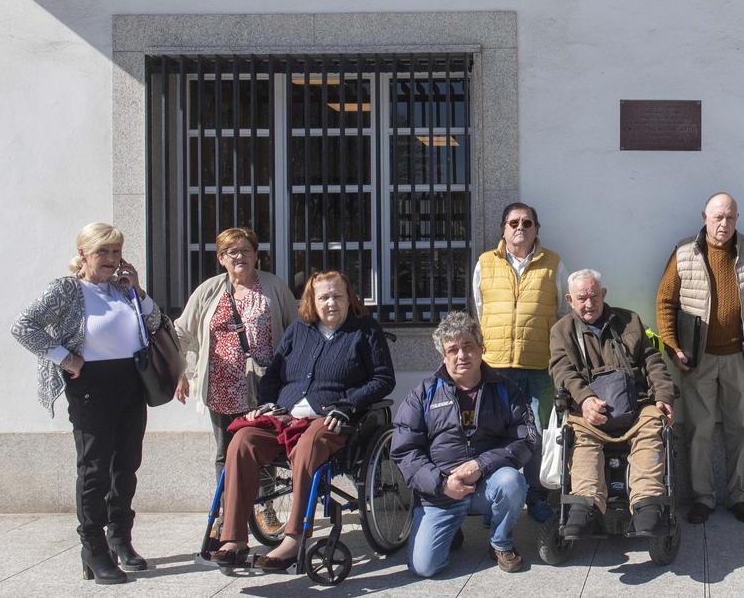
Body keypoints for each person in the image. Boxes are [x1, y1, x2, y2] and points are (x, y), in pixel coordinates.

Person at [208, 271, 395, 570]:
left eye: (338, 296)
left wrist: (347, 405)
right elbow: (272, 376)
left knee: (309, 444)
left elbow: (383, 379)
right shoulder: (299, 330)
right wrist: (268, 404)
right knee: (243, 441)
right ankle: (234, 539)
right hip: (286, 416)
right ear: (312, 300)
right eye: (324, 297)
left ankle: (294, 538)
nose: (331, 302)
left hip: (332, 418)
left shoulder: (365, 330)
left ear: (350, 299)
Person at [11, 223, 162, 584]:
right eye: (103, 252)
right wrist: (65, 357)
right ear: (83, 254)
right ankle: (93, 548)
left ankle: (120, 539)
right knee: (94, 470)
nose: (111, 260)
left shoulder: (122, 290)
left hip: (130, 382)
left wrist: (138, 290)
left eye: (116, 252)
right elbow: (23, 325)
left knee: (126, 466)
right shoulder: (66, 289)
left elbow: (156, 323)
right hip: (91, 385)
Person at [656, 192, 744, 524]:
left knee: (740, 427)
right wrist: (673, 347)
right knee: (699, 429)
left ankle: (738, 495)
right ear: (704, 217)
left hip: (741, 355)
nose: (724, 224)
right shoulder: (684, 251)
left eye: (731, 217)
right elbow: (665, 302)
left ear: (738, 219)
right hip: (699, 358)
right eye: (718, 217)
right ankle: (703, 498)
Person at [392, 311, 539, 576]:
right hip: (441, 491)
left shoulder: (505, 389)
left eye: (468, 346)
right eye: (453, 350)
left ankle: (501, 542)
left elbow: (525, 437)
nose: (462, 356)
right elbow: (404, 449)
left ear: (481, 348)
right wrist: (441, 483)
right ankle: (452, 526)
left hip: (488, 483)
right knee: (424, 567)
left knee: (512, 482)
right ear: (443, 356)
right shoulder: (423, 394)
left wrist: (481, 464)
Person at [549, 269, 675, 537]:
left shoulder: (629, 321)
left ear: (603, 294)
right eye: (582, 298)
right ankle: (586, 506)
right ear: (570, 300)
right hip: (589, 412)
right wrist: (584, 400)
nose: (589, 303)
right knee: (581, 436)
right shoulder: (561, 331)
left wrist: (663, 396)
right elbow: (563, 372)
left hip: (636, 405)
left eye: (594, 295)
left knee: (653, 424)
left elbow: (652, 361)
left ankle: (647, 505)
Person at [173, 227, 299, 482]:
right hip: (220, 386)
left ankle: (264, 507)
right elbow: (181, 333)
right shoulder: (208, 290)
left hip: (263, 384)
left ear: (255, 255)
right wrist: (180, 374)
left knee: (262, 446)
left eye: (245, 251)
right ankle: (226, 511)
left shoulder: (273, 286)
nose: (239, 257)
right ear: (221, 258)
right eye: (232, 252)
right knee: (225, 452)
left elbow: (295, 329)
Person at [472, 202, 568, 522]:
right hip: (496, 367)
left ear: (536, 229)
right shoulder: (486, 262)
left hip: (539, 365)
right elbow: (479, 310)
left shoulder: (553, 263)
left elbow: (564, 315)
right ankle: (498, 498)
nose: (520, 228)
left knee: (537, 435)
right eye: (513, 222)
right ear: (503, 228)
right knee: (498, 434)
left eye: (527, 223)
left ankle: (537, 497)